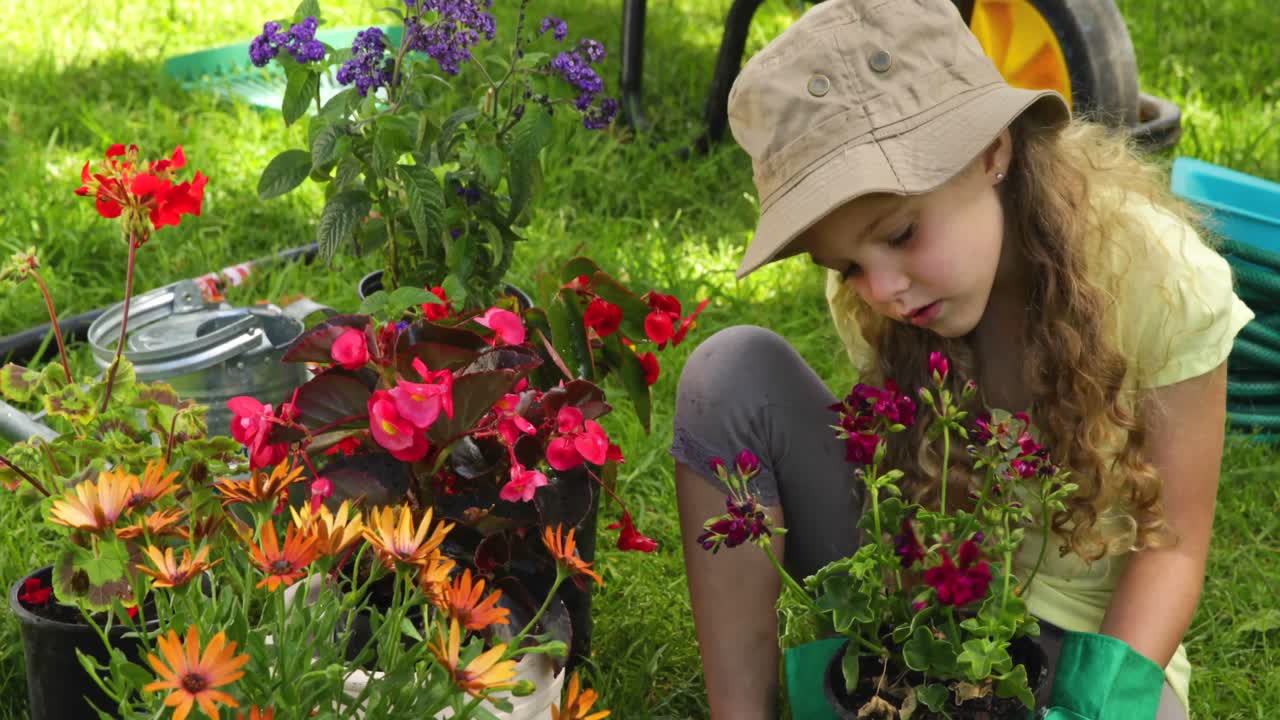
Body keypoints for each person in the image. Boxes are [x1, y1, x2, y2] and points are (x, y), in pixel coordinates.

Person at [669, 0, 1253, 718]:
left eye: (903, 233)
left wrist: (1085, 708)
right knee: (731, 372)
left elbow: (1175, 550)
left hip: (1088, 639)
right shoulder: (889, 292)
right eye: (847, 265)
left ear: (991, 153)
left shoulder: (1159, 274)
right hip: (932, 602)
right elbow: (904, 486)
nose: (879, 289)